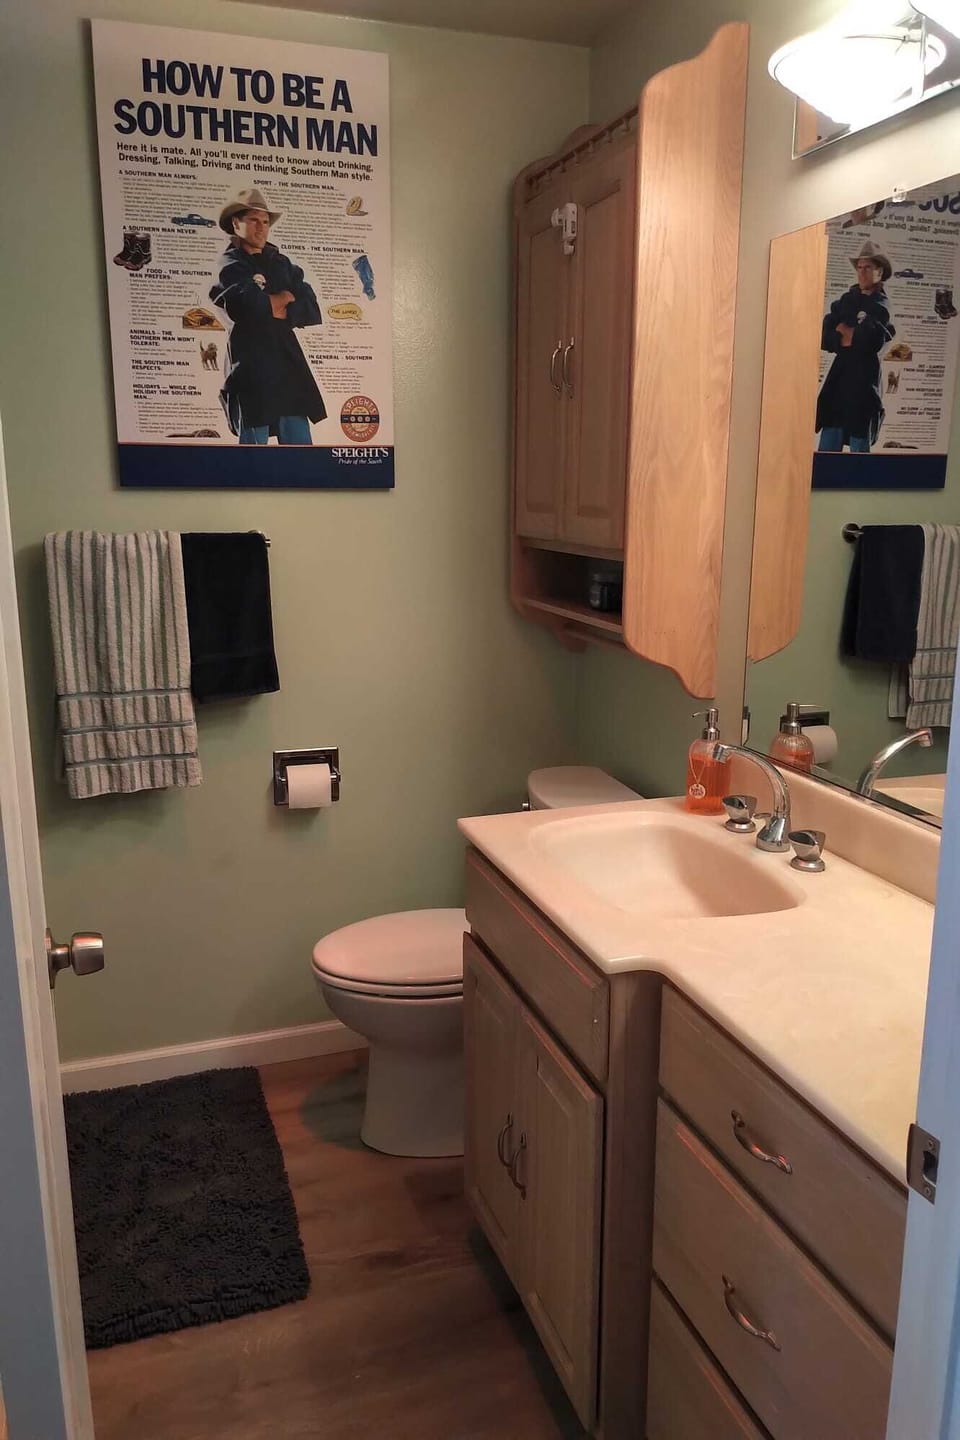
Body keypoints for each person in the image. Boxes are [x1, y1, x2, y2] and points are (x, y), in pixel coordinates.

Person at [210, 186, 326, 445]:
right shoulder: (228, 266)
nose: (261, 228)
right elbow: (247, 308)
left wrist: (274, 305)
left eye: (265, 222)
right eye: (253, 220)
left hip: (288, 372)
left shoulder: (281, 263)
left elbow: (310, 308)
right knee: (253, 463)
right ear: (236, 223)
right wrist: (284, 298)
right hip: (252, 373)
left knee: (301, 461)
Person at [815, 239, 895, 455]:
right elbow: (823, 335)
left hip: (863, 391)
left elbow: (872, 340)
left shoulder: (881, 305)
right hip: (838, 390)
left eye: (868, 267)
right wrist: (848, 337)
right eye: (859, 267)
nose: (862, 273)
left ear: (880, 271)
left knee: (860, 463)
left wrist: (847, 332)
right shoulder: (846, 300)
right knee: (826, 459)